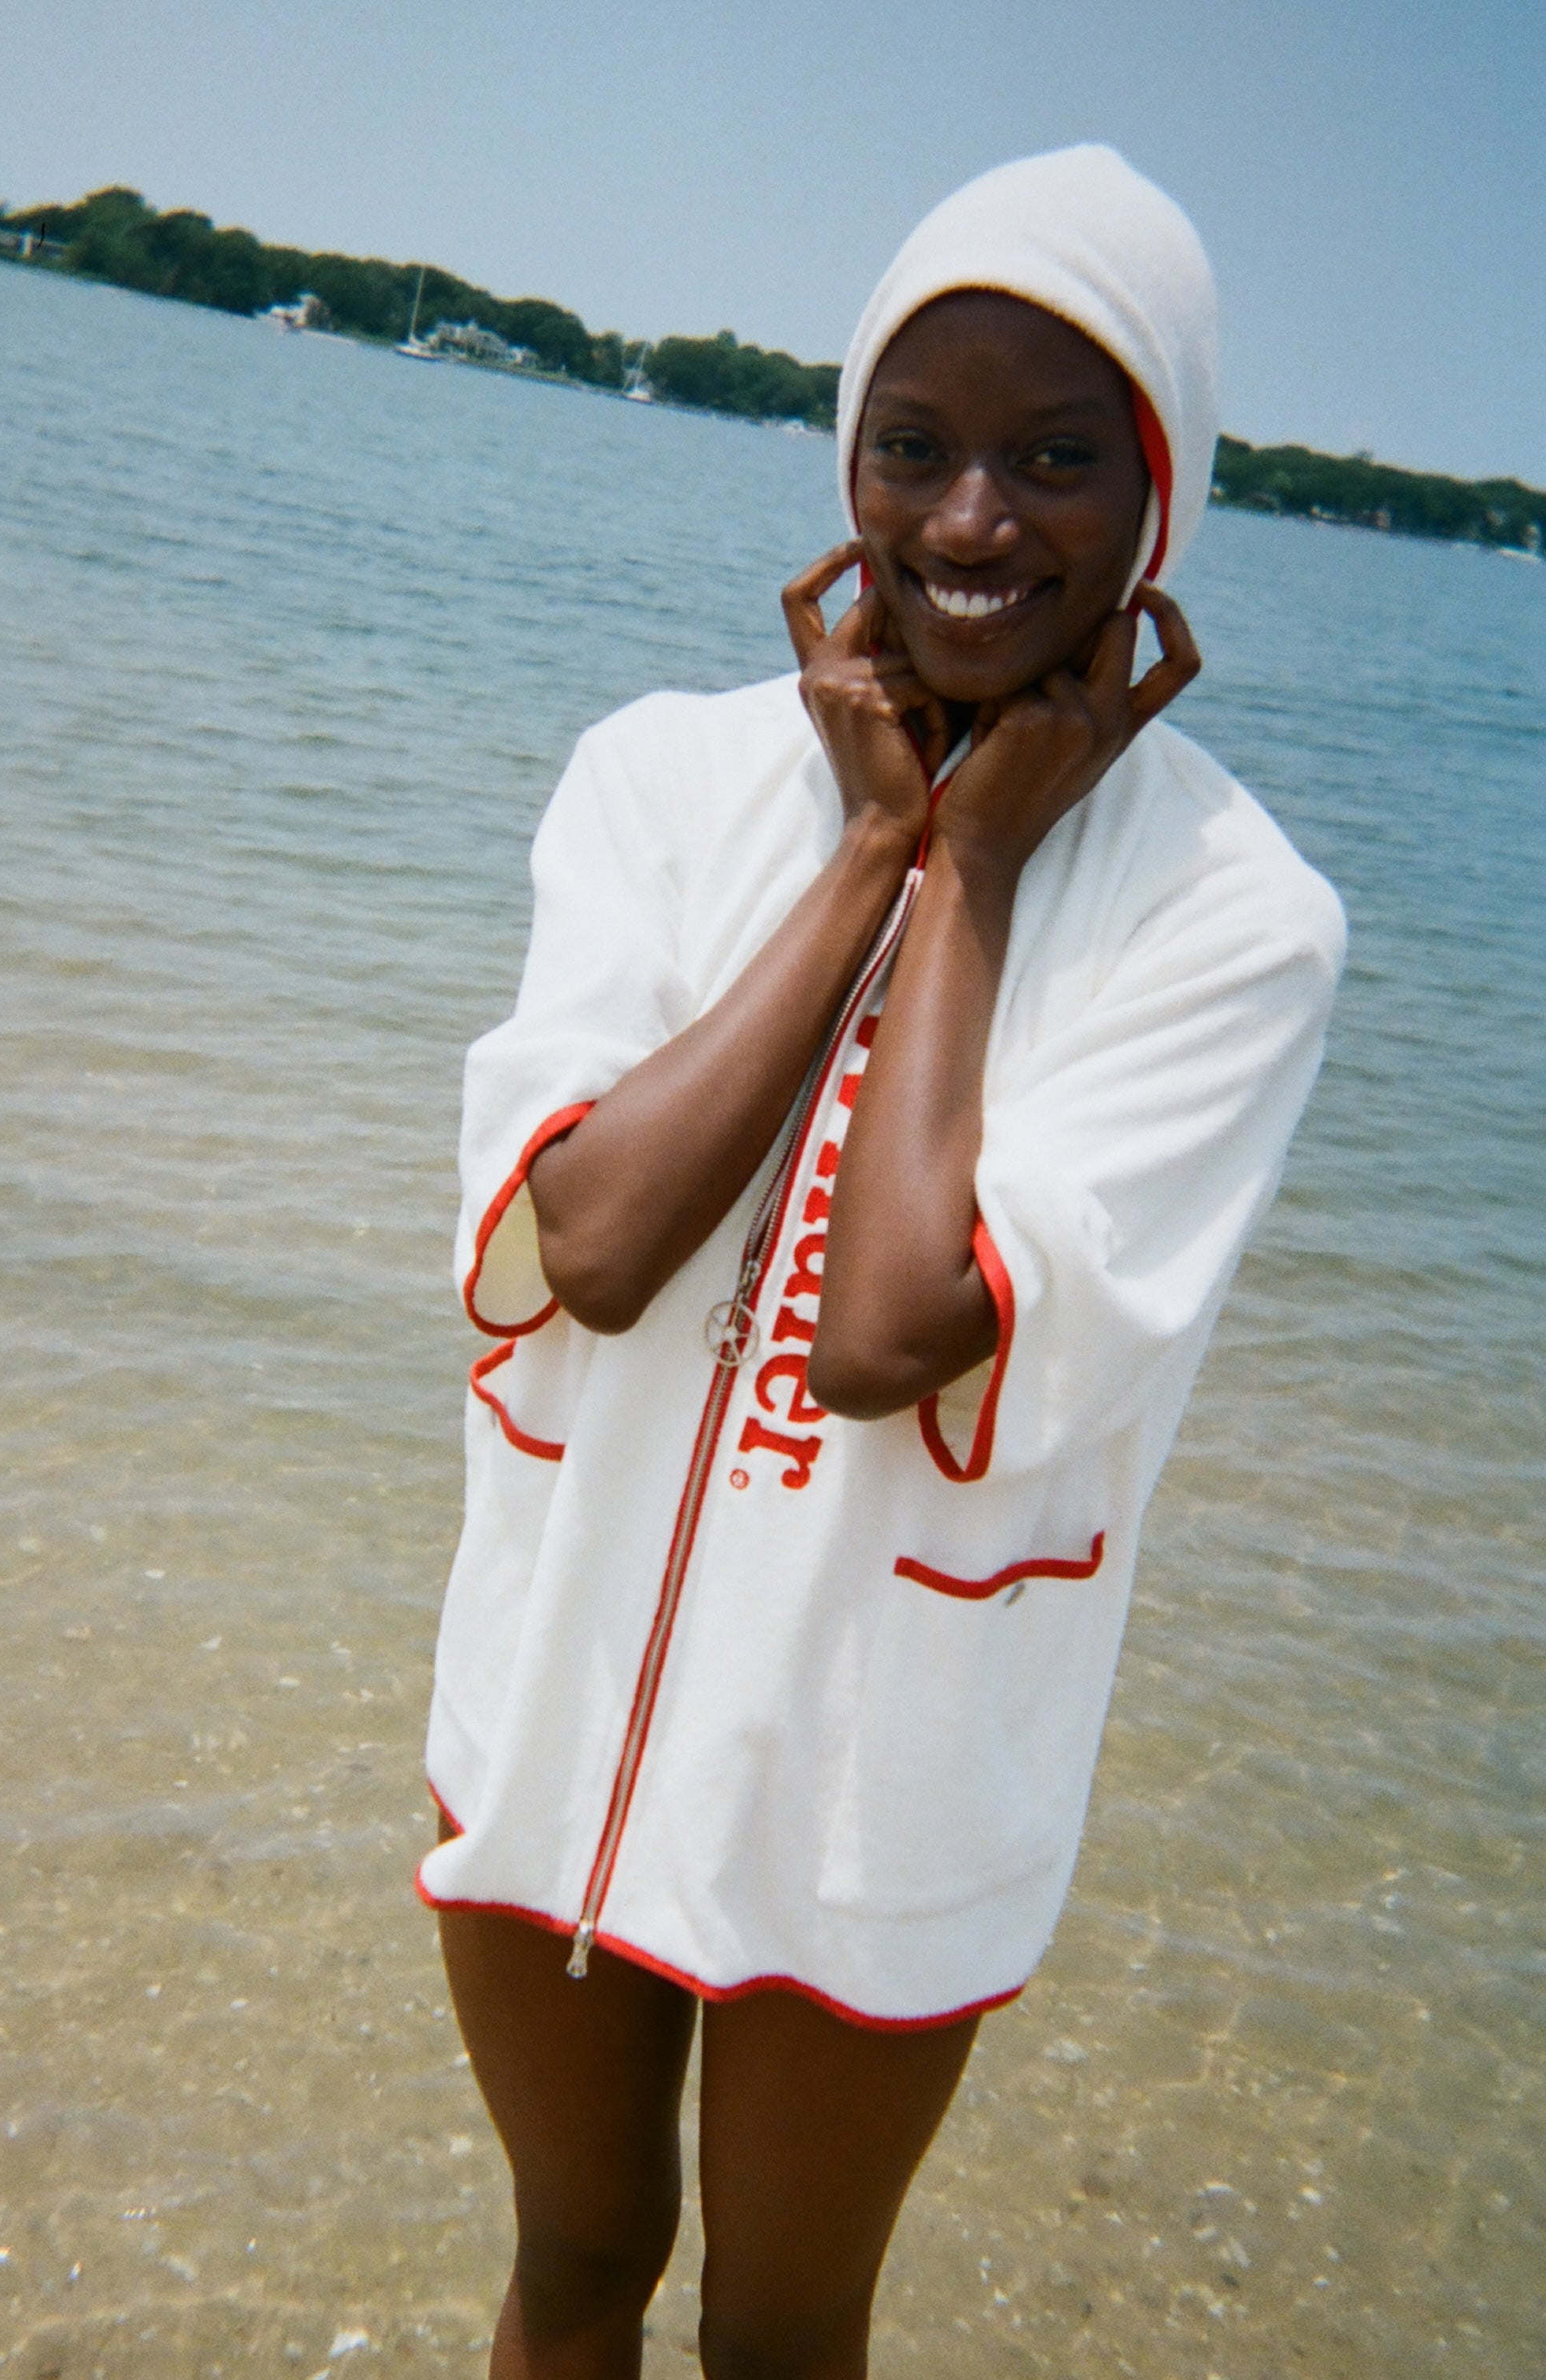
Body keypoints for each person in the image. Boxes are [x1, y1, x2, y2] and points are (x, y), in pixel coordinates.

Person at [416, 145, 1345, 2380]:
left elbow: (887, 1329)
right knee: (568, 2265)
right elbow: (607, 1239)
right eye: (913, 447)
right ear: (845, 460)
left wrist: (983, 871)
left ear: (1160, 502)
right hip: (564, 1687)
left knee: (783, 2325)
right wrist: (863, 854)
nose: (967, 522)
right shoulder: (658, 783)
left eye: (1054, 458)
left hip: (881, 1742)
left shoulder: (1235, 917)